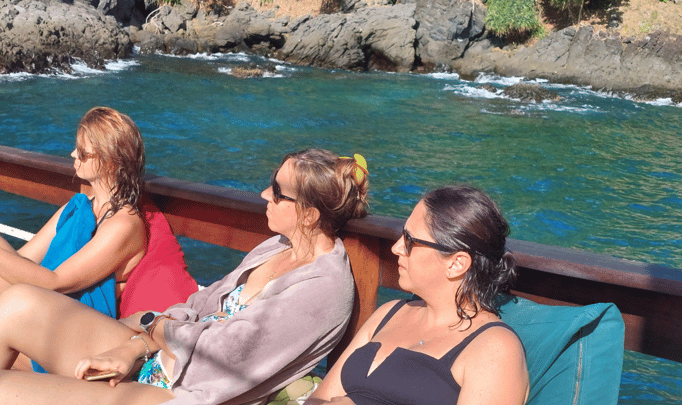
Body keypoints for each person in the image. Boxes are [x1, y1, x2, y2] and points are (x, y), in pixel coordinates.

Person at [0, 148, 368, 405]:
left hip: (190, 392)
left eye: (277, 191)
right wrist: (135, 346)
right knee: (15, 304)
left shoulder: (323, 289)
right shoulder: (276, 248)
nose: (263, 194)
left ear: (308, 214)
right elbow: (198, 305)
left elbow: (228, 353)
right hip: (156, 357)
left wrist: (149, 327)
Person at [306, 185, 529, 405]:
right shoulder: (389, 313)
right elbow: (318, 398)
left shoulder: (495, 348)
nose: (396, 248)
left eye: (410, 241)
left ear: (456, 263)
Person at [0, 106, 147, 318]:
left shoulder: (123, 224)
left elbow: (55, 282)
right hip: (47, 301)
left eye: (82, 151)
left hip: (73, 319)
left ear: (109, 162)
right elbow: (24, 258)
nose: (72, 154)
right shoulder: (79, 206)